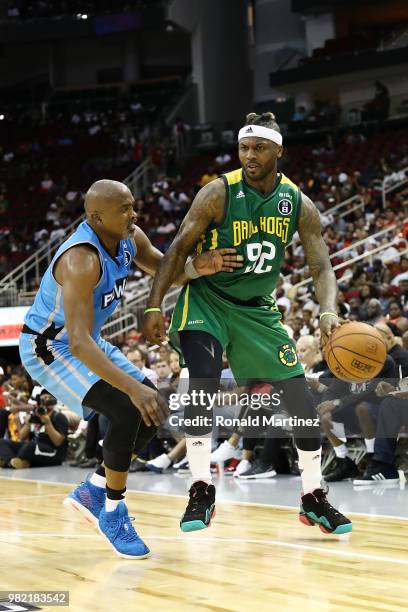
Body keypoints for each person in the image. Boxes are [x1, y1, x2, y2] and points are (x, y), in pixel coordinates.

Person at [143, 112, 352, 535]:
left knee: (300, 403)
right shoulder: (217, 193)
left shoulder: (297, 202)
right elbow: (178, 247)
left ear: (279, 150)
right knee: (201, 379)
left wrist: (328, 309)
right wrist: (152, 306)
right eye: (244, 148)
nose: (250, 155)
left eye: (258, 148)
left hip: (256, 308)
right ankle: (201, 488)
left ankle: (313, 497)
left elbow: (322, 266)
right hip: (208, 299)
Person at [18, 179, 243, 559]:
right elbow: (76, 343)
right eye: (123, 209)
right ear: (95, 216)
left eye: (132, 206)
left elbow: (164, 269)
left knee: (155, 408)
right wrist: (132, 389)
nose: (133, 214)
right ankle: (112, 510)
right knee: (128, 406)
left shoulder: (130, 237)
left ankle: (94, 488)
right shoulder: (80, 259)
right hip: (50, 347)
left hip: (86, 339)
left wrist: (197, 267)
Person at [0, 390, 68, 469]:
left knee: (31, 445)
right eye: (45, 398)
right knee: (2, 442)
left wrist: (48, 423)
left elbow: (58, 442)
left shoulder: (58, 416)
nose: (48, 399)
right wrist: (28, 423)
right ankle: (12, 461)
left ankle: (12, 461)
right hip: (33, 449)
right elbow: (21, 437)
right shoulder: (35, 415)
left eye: (50, 397)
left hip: (53, 453)